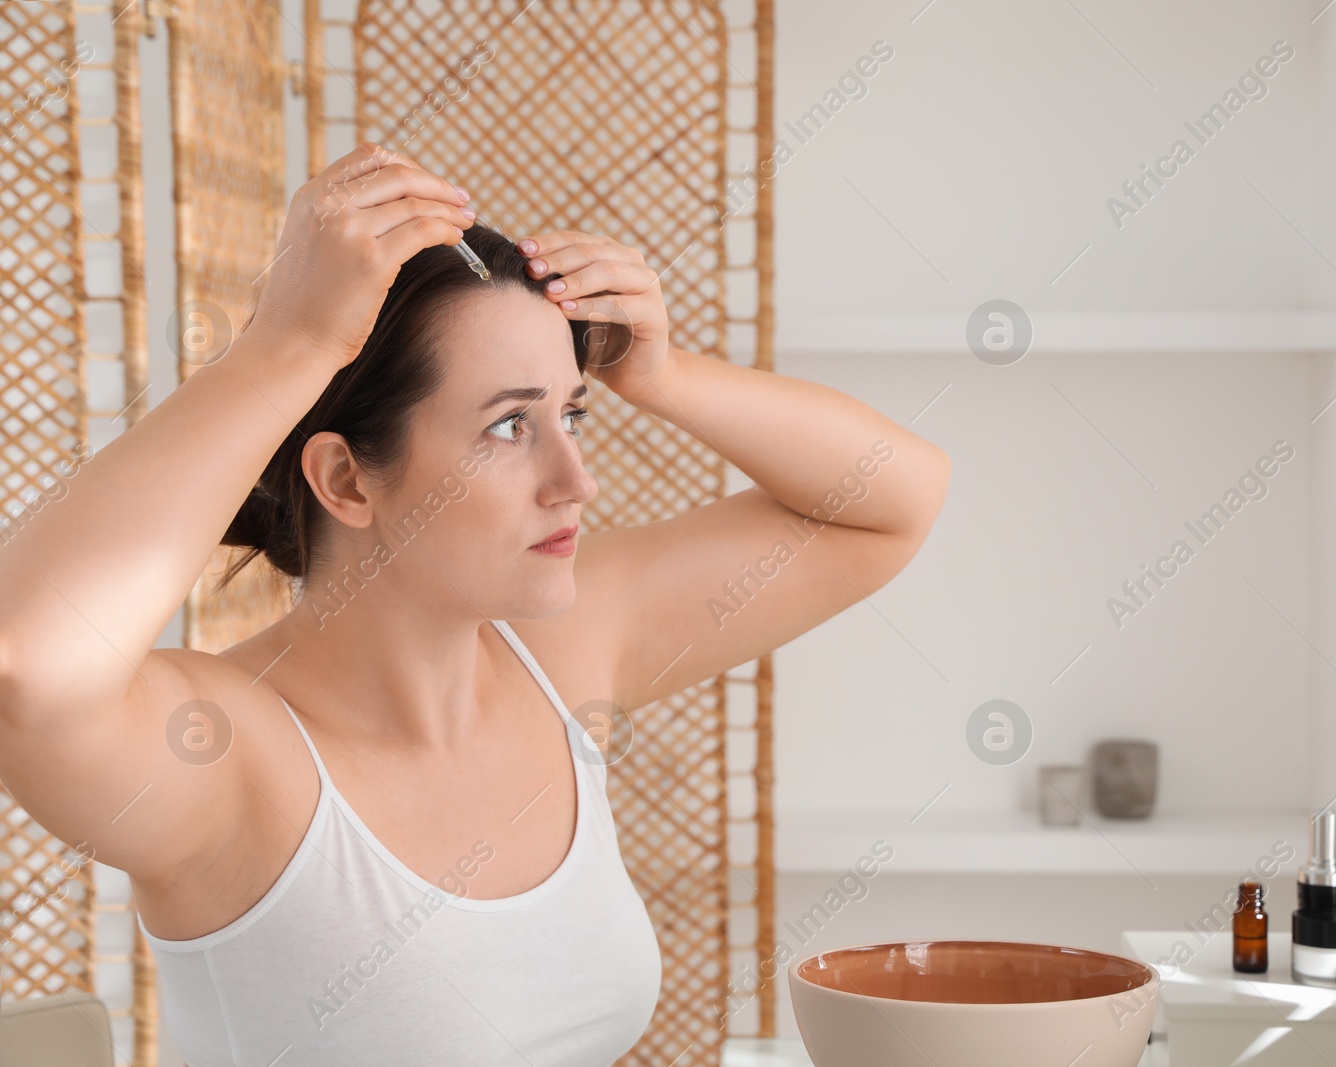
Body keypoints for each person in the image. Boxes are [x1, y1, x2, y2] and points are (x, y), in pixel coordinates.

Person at [0, 142, 951, 1064]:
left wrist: (665, 375)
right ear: (347, 479)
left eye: (571, 413)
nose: (575, 477)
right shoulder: (225, 755)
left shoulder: (562, 656)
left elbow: (893, 501)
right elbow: (25, 663)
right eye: (508, 425)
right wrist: (290, 345)